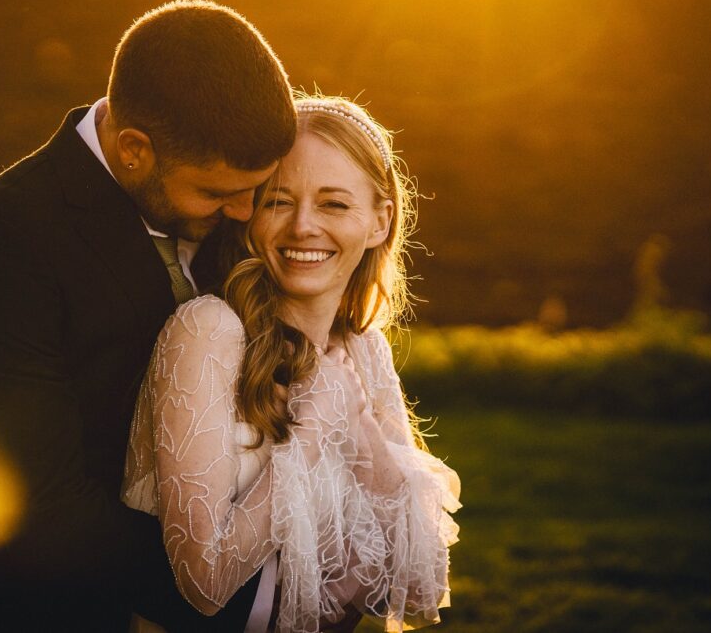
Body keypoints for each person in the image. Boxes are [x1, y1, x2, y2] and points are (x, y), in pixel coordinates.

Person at [0, 0, 296, 632]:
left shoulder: (234, 210)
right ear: (133, 150)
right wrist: (253, 605)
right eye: (217, 192)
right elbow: (42, 504)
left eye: (255, 189)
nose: (245, 213)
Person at [123, 96, 462, 633]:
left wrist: (357, 427)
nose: (303, 227)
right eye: (279, 201)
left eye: (333, 204)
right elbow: (204, 585)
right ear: (249, 213)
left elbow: (419, 589)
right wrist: (312, 427)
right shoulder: (208, 332)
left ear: (379, 221)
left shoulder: (362, 348)